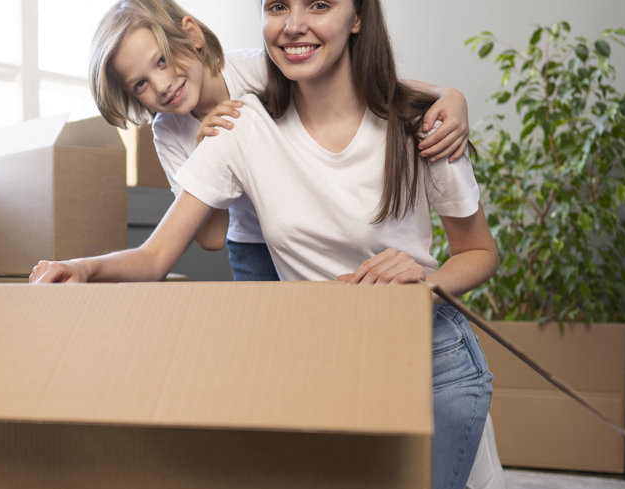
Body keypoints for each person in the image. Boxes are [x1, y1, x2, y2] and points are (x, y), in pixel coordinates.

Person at [40, 0, 499, 489]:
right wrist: (82, 268)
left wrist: (427, 280)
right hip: (290, 291)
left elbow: (477, 246)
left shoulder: (409, 121)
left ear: (357, 17)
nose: (295, 25)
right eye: (278, 6)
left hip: (426, 349)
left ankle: (464, 439)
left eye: (320, 5)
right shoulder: (231, 127)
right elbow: (165, 251)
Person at [88, 0, 471, 282]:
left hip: (308, 227)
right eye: (140, 84)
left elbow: (363, 88)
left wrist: (448, 95)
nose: (162, 86)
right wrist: (206, 155)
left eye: (162, 61)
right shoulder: (169, 132)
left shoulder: (259, 69)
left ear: (192, 34)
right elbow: (210, 238)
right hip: (252, 242)